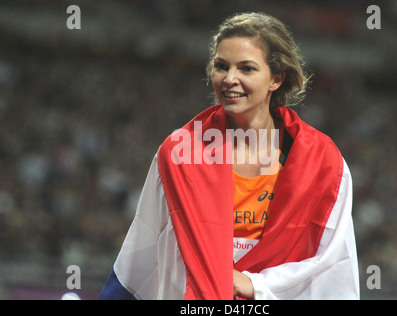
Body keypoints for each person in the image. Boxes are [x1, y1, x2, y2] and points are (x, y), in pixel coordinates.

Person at [99, 12, 359, 300]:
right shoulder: (181, 154)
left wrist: (255, 285)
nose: (229, 79)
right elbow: (145, 250)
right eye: (221, 66)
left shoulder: (323, 162)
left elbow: (330, 263)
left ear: (276, 78)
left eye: (246, 68)